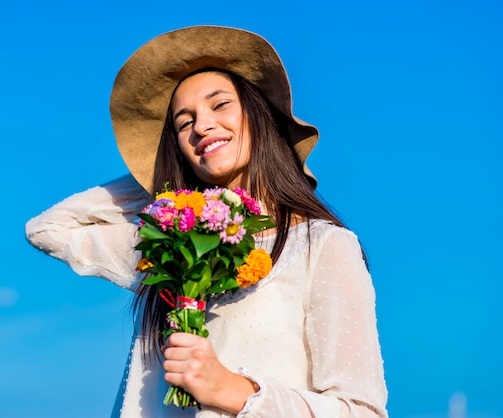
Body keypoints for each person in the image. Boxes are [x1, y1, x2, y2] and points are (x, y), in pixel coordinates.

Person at [25, 26, 388, 418]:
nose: (201, 127)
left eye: (220, 106)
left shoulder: (324, 246)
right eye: (184, 124)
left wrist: (236, 391)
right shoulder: (170, 245)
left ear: (258, 114)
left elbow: (361, 411)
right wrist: (161, 180)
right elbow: (49, 229)